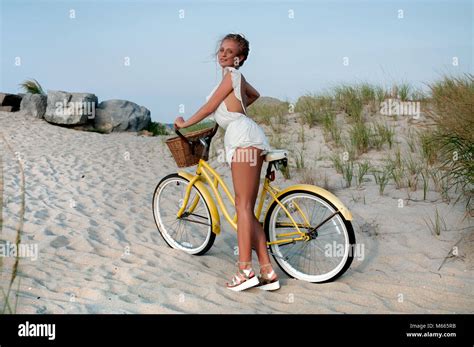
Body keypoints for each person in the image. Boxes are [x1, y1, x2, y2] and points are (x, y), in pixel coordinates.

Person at [174, 33, 280, 292]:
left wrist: (185, 124)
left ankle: (244, 269)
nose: (222, 54)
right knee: (244, 207)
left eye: (229, 51)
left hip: (243, 138)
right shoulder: (233, 79)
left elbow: (208, 108)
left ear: (239, 58)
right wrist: (235, 108)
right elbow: (253, 94)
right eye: (221, 49)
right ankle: (267, 270)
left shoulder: (231, 76)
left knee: (242, 206)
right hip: (243, 134)